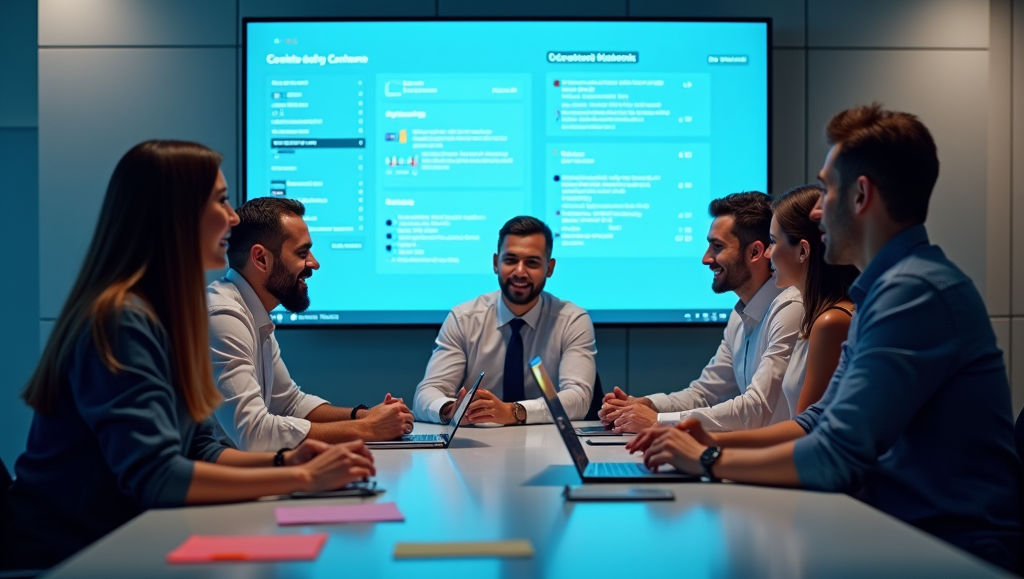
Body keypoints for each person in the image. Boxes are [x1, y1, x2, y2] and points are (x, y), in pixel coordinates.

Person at [627, 105, 1022, 570]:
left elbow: (835, 456)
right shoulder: (886, 289)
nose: (816, 209)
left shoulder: (914, 291)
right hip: (908, 537)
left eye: (827, 188)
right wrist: (706, 440)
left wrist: (709, 458)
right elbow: (818, 422)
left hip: (950, 555)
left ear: (860, 196)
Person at [2, 141, 375, 570]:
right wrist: (300, 477)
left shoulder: (169, 314)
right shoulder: (121, 319)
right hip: (66, 561)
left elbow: (201, 448)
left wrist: (287, 461)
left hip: (117, 545)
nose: (234, 218)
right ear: (174, 215)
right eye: (221, 201)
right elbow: (157, 476)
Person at [208, 198, 415, 452]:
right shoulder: (223, 316)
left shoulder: (254, 315)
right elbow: (253, 433)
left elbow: (291, 405)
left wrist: (364, 416)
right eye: (302, 253)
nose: (314, 263)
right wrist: (368, 429)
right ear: (261, 259)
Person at [599, 193, 803, 433]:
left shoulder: (789, 307)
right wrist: (645, 405)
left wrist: (658, 421)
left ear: (755, 252)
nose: (706, 258)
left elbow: (755, 409)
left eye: (717, 247)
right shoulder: (740, 315)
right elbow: (705, 395)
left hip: (777, 464)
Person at [413, 216, 596, 425]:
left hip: (548, 445)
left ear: (549, 268)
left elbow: (578, 398)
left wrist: (514, 411)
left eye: (532, 263)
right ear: (495, 263)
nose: (520, 271)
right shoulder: (463, 319)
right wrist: (450, 409)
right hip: (476, 448)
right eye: (510, 260)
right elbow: (426, 393)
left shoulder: (572, 321)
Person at [768, 184, 858, 414]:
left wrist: (715, 447)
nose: (768, 253)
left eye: (773, 241)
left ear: (802, 252)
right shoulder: (816, 315)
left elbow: (805, 432)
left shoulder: (831, 322)